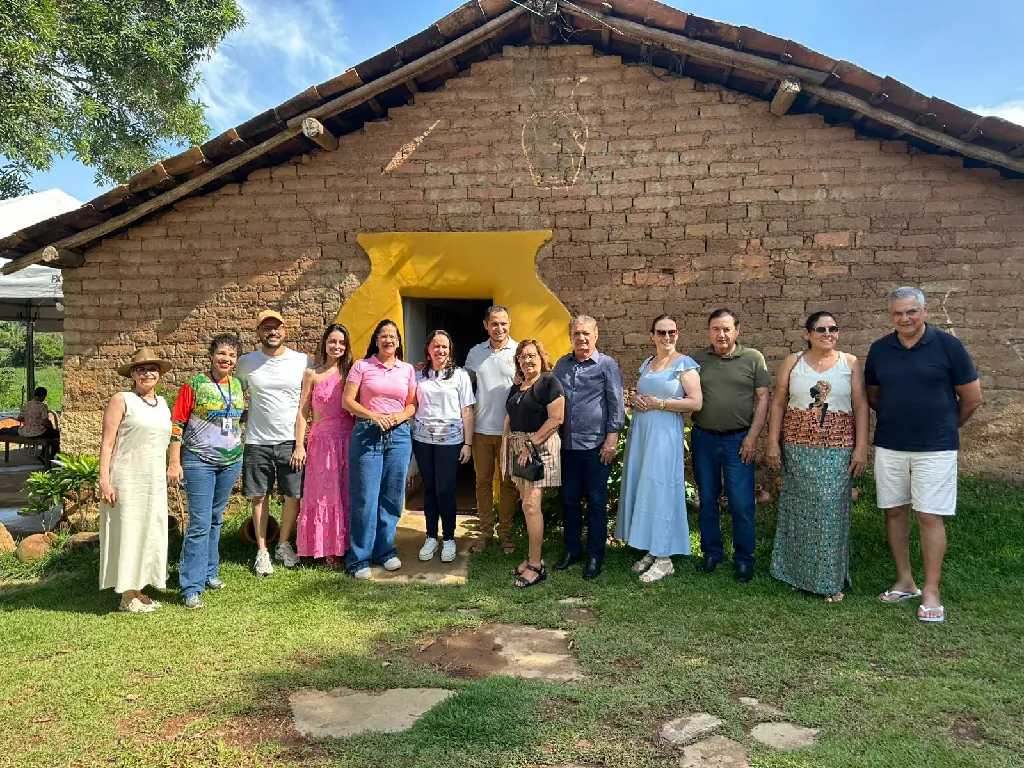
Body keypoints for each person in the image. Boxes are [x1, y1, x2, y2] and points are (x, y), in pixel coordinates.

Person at [865, 287, 982, 623]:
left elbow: (972, 398)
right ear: (891, 316)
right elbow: (874, 395)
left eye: (912, 311)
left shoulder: (949, 346)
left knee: (930, 516)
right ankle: (905, 581)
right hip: (890, 444)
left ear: (925, 310)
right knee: (894, 512)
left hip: (936, 448)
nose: (905, 318)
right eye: (898, 313)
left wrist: (945, 426)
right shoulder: (880, 349)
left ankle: (931, 591)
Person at [766, 312, 869, 603]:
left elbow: (861, 407)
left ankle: (828, 580)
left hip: (837, 448)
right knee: (797, 511)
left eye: (833, 328)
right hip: (798, 448)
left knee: (830, 512)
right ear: (807, 334)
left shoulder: (850, 363)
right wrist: (773, 443)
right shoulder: (793, 362)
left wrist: (861, 448)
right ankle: (797, 575)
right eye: (821, 329)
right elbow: (778, 403)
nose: (828, 333)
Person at [615, 315, 702, 582]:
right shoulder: (648, 364)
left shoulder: (685, 365)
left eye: (671, 332)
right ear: (652, 335)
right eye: (661, 332)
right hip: (642, 433)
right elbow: (645, 395)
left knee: (661, 488)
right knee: (645, 486)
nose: (667, 337)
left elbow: (696, 403)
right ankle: (652, 549)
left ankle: (665, 558)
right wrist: (638, 401)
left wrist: (660, 404)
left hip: (664, 435)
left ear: (677, 334)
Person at [689, 309, 771, 582]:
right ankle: (712, 553)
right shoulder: (697, 359)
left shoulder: (753, 358)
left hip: (739, 439)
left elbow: (762, 399)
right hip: (704, 438)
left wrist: (753, 437)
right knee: (708, 499)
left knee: (741, 502)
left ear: (737, 331)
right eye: (715, 329)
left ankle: (744, 559)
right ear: (708, 331)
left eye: (726, 329)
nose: (721, 334)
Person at [170, 334, 246, 610]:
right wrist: (174, 462)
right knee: (199, 523)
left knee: (216, 519)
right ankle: (191, 585)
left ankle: (210, 572)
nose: (226, 360)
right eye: (221, 354)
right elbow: (177, 424)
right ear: (211, 355)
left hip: (230, 461)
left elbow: (236, 419)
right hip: (198, 461)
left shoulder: (237, 384)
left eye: (232, 356)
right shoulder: (194, 385)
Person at [235, 310, 312, 577]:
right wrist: (240, 414)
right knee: (259, 497)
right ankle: (262, 551)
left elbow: (311, 398)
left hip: (291, 441)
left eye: (277, 327)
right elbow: (234, 393)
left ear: (285, 331)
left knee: (294, 495)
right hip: (257, 441)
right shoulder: (246, 363)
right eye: (267, 328)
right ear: (258, 332)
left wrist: (302, 443)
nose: (272, 332)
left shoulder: (302, 360)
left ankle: (282, 544)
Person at [97, 348, 172, 613]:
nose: (148, 373)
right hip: (127, 477)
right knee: (128, 532)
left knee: (149, 531)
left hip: (153, 479)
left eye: (152, 369)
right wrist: (104, 480)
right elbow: (107, 444)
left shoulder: (162, 403)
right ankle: (127, 595)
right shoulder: (122, 399)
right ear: (133, 374)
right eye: (141, 369)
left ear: (159, 374)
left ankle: (139, 588)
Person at [552, 315, 625, 581]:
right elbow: (552, 394)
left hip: (596, 447)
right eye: (576, 334)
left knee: (596, 503)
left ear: (596, 336)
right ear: (570, 337)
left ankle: (595, 555)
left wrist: (612, 439)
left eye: (586, 334)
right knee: (569, 501)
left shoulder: (606, 365)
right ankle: (573, 550)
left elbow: (616, 403)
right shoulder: (562, 364)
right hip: (567, 447)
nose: (581, 338)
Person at [343, 319, 417, 579]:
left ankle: (384, 551)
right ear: (376, 340)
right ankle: (359, 558)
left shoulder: (406, 369)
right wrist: (373, 415)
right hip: (367, 434)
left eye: (393, 337)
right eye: (384, 336)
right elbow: (348, 401)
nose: (389, 340)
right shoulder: (362, 366)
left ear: (398, 343)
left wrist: (399, 418)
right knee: (365, 497)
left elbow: (411, 405)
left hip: (398, 436)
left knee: (392, 496)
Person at [292, 324, 355, 568]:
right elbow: (302, 411)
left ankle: (346, 545)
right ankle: (323, 546)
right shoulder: (312, 373)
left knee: (346, 491)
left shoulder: (351, 372)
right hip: (321, 440)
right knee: (324, 494)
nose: (337, 346)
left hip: (348, 438)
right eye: (332, 341)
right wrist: (300, 445)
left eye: (341, 342)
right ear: (324, 343)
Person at [504, 339, 565, 588]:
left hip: (538, 447)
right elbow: (510, 418)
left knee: (531, 505)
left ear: (541, 358)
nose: (527, 360)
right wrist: (504, 445)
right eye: (522, 356)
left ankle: (536, 566)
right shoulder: (517, 386)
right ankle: (532, 558)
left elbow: (556, 419)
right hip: (518, 447)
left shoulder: (549, 382)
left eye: (532, 356)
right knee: (526, 503)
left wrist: (530, 446)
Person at [412, 330, 475, 563]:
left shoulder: (460, 376)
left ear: (450, 350)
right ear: (428, 349)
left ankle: (448, 538)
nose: (440, 351)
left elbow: (467, 411)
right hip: (422, 440)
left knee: (445, 490)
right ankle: (430, 536)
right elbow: (410, 402)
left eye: (445, 347)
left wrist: (467, 443)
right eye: (436, 346)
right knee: (429, 490)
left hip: (450, 441)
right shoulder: (418, 375)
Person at [464, 305, 519, 554]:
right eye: (494, 324)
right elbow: (463, 387)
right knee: (483, 482)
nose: (500, 328)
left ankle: (505, 534)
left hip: (510, 432)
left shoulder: (519, 351)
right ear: (486, 325)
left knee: (509, 484)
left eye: (504, 324)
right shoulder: (476, 353)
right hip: (481, 430)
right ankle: (486, 532)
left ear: (510, 324)